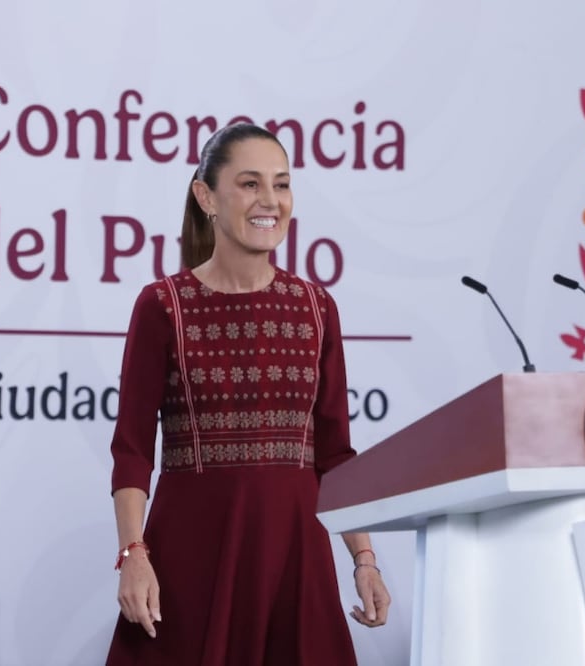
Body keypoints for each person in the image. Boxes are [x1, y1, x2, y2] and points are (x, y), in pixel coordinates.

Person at [106, 122, 389, 665]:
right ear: (206, 196)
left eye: (281, 185)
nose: (270, 201)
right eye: (251, 183)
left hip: (295, 560)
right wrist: (133, 554)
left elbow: (335, 455)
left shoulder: (317, 308)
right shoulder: (162, 306)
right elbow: (132, 451)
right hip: (192, 560)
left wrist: (365, 560)